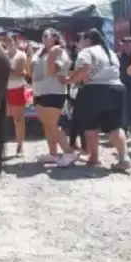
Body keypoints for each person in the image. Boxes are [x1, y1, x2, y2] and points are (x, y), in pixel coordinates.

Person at [65, 28, 131, 171]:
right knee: (115, 127)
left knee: (90, 126)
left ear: (88, 40)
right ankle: (124, 158)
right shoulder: (111, 53)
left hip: (94, 90)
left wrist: (70, 80)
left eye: (81, 40)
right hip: (116, 89)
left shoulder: (87, 52)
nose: (78, 43)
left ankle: (94, 158)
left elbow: (85, 69)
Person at [30, 28, 77, 167]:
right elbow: (30, 69)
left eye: (47, 36)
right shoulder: (40, 51)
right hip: (39, 91)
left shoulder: (59, 52)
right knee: (46, 124)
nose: (44, 38)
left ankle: (69, 152)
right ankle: (53, 154)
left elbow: (52, 71)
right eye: (43, 35)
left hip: (54, 91)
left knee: (53, 124)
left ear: (55, 37)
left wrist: (51, 55)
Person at [2, 31, 28, 157]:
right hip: (4, 90)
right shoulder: (3, 54)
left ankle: (20, 146)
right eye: (7, 41)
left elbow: (19, 72)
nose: (9, 44)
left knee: (18, 120)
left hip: (17, 88)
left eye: (11, 41)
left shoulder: (21, 55)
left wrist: (6, 73)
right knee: (1, 118)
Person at [117, 36, 131, 140]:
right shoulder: (119, 56)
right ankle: (124, 130)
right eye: (125, 43)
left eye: (129, 43)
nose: (127, 46)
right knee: (123, 110)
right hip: (122, 85)